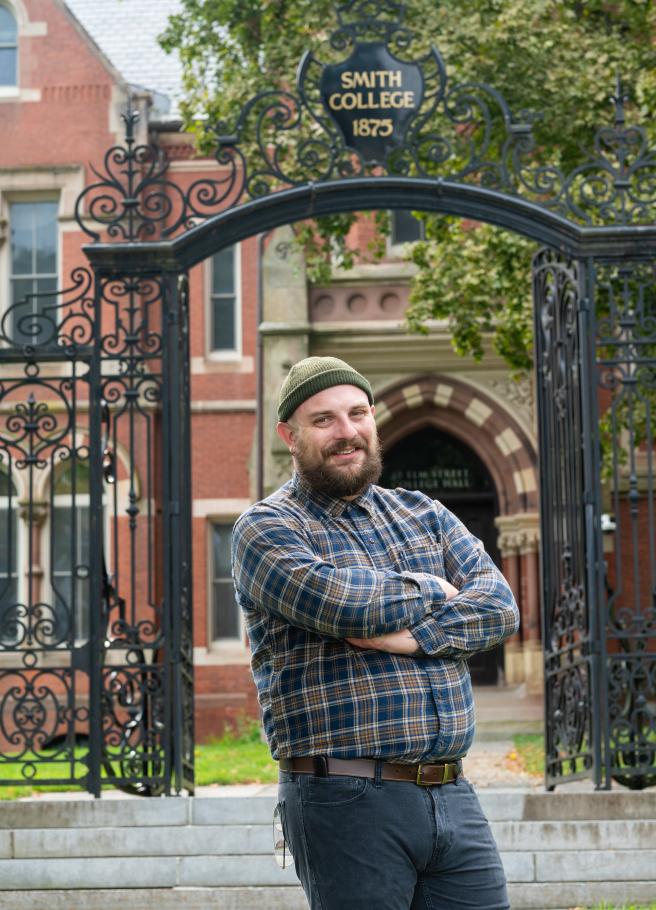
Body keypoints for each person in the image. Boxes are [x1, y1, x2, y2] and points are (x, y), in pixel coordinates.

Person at [232, 356, 520, 910]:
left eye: (357, 413)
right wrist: (439, 590)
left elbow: (500, 607)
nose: (347, 432)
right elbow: (339, 603)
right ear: (288, 436)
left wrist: (415, 638)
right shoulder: (267, 528)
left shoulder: (425, 514)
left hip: (451, 794)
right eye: (324, 420)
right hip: (344, 796)